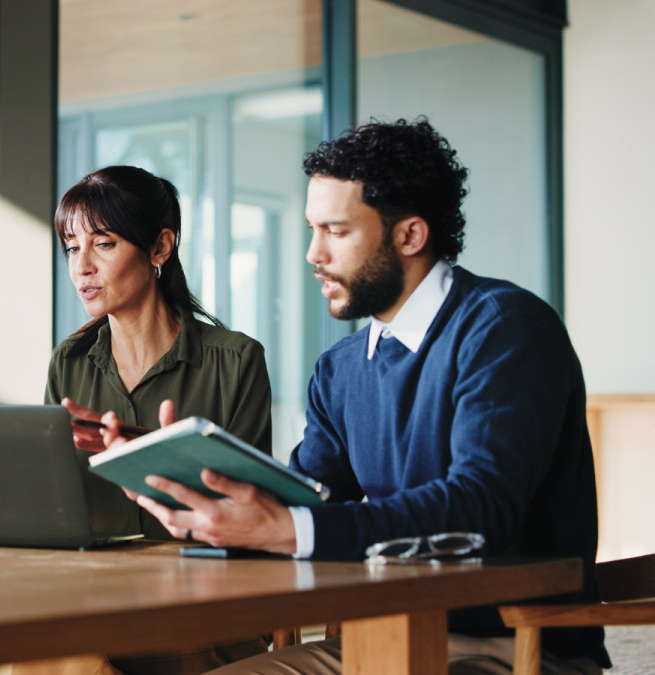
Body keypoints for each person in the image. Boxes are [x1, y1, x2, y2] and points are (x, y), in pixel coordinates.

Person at [101, 120, 609, 675]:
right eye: (312, 229)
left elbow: (480, 508)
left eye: (336, 232)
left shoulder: (505, 329)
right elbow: (308, 500)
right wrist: (190, 482)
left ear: (410, 236)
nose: (312, 253)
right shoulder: (342, 369)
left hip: (512, 645)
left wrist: (285, 527)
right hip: (374, 640)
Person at [36, 165, 274, 674]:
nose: (82, 267)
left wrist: (177, 463)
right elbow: (54, 510)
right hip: (95, 611)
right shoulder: (68, 362)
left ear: (161, 247)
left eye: (103, 244)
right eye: (72, 248)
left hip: (202, 616)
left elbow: (258, 519)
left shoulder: (235, 361)